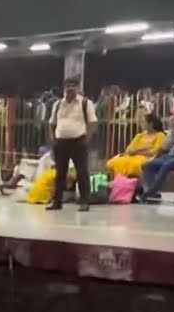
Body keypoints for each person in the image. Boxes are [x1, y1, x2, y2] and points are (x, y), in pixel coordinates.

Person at [47, 77, 96, 212]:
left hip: (78, 142)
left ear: (78, 87)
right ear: (64, 87)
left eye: (73, 85)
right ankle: (56, 201)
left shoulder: (86, 103)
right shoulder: (57, 104)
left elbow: (92, 122)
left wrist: (87, 140)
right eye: (68, 85)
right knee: (60, 174)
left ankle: (84, 202)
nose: (70, 88)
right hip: (61, 143)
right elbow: (52, 123)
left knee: (82, 172)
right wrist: (54, 140)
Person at [140, 105, 174, 202]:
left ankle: (150, 192)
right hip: (172, 155)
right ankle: (154, 192)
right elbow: (165, 146)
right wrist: (155, 156)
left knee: (167, 165)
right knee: (148, 165)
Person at [106, 114, 164, 178]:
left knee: (135, 165)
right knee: (112, 162)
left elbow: (154, 152)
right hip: (132, 156)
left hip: (147, 158)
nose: (141, 124)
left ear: (151, 124)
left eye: (144, 122)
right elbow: (129, 150)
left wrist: (136, 150)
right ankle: (119, 182)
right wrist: (141, 149)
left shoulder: (160, 135)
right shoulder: (139, 136)